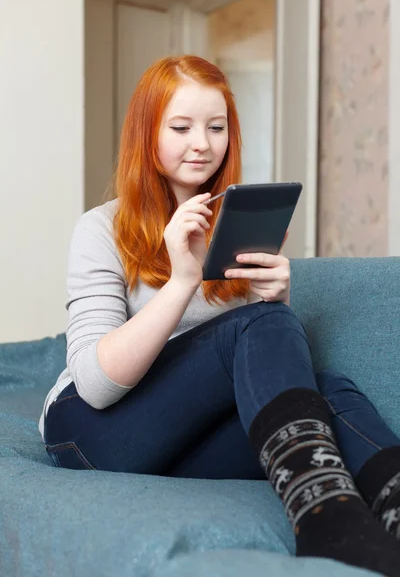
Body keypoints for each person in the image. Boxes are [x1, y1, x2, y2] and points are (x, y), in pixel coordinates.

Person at [39, 55, 400, 576]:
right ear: (147, 133)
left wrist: (270, 300)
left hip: (179, 439)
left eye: (216, 127)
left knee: (330, 389)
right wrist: (184, 280)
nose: (202, 144)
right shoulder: (101, 229)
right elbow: (95, 385)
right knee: (260, 328)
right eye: (181, 127)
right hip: (90, 430)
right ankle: (326, 519)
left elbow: (251, 375)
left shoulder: (237, 223)